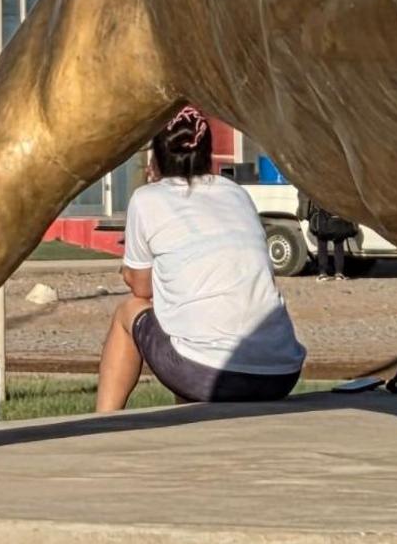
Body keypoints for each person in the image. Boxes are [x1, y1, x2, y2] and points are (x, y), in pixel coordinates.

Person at [96, 105, 307, 411]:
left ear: (155, 158)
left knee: (130, 311)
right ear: (207, 155)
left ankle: (105, 421)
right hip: (280, 373)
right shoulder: (236, 193)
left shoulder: (148, 198)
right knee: (184, 322)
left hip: (205, 375)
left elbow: (141, 289)